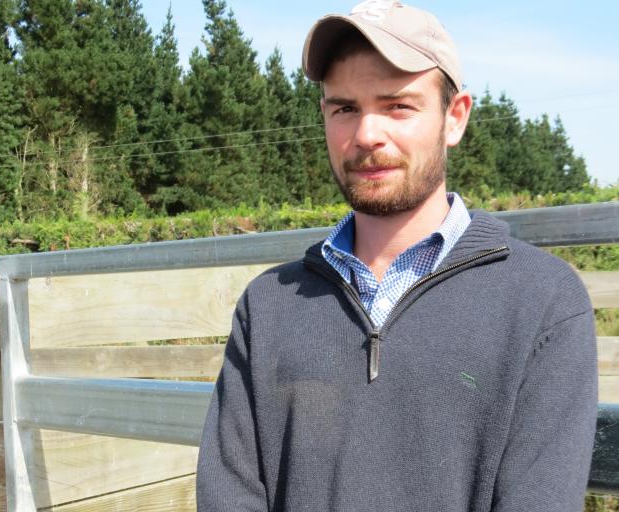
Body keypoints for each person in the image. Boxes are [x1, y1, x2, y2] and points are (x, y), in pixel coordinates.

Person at [196, 1, 598, 510]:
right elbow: (228, 494)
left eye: (397, 106)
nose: (366, 134)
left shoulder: (542, 302)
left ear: (454, 118)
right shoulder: (269, 306)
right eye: (344, 108)